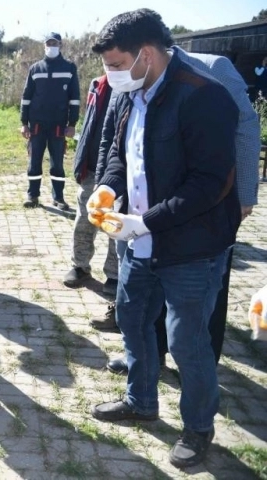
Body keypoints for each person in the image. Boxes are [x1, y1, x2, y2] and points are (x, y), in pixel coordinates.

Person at [87, 9, 240, 468]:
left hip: (191, 247)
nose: (109, 74)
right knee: (132, 321)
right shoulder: (131, 94)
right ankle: (141, 401)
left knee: (186, 340)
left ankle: (197, 427)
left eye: (116, 63)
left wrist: (148, 220)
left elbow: (210, 183)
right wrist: (108, 187)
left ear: (146, 55)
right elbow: (120, 152)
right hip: (138, 242)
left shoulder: (203, 98)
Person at [94, 38, 261, 367]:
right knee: (144, 281)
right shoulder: (130, 75)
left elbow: (246, 127)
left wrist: (244, 194)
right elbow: (115, 134)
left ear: (148, 51)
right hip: (142, 201)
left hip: (201, 203)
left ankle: (198, 363)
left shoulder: (212, 70)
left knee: (199, 286)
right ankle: (147, 356)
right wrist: (106, 187)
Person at [63, 75, 118, 295]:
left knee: (115, 225)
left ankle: (114, 275)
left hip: (120, 174)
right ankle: (80, 266)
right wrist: (80, 161)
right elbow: (88, 126)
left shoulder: (137, 86)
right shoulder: (98, 84)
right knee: (84, 221)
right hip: (92, 169)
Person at [20, 32, 80, 210]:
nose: (51, 45)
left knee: (58, 165)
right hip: (37, 125)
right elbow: (26, 97)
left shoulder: (69, 68)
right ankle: (32, 195)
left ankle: (59, 198)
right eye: (48, 43)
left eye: (54, 42)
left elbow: (74, 98)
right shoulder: (35, 68)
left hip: (58, 126)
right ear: (44, 45)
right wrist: (24, 123)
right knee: (34, 163)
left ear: (60, 45)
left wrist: (72, 124)